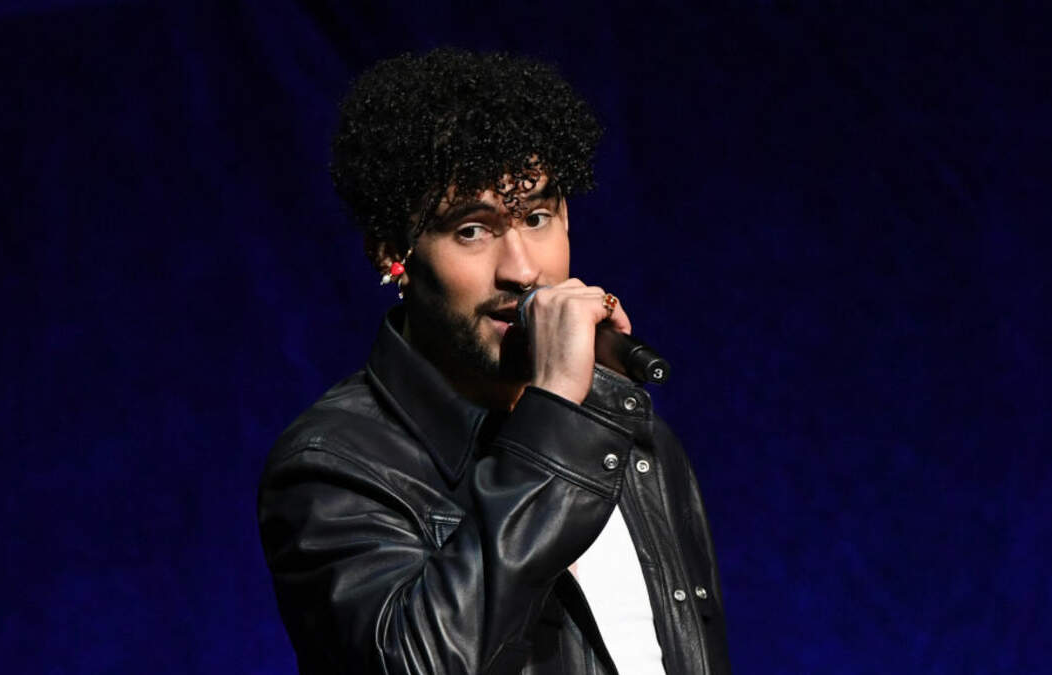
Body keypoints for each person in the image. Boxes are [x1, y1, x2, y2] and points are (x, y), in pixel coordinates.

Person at [258, 49, 730, 674]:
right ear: (391, 257)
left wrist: (578, 413)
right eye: (471, 230)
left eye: (536, 218)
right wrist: (558, 409)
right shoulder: (331, 467)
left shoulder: (629, 436)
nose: (523, 269)